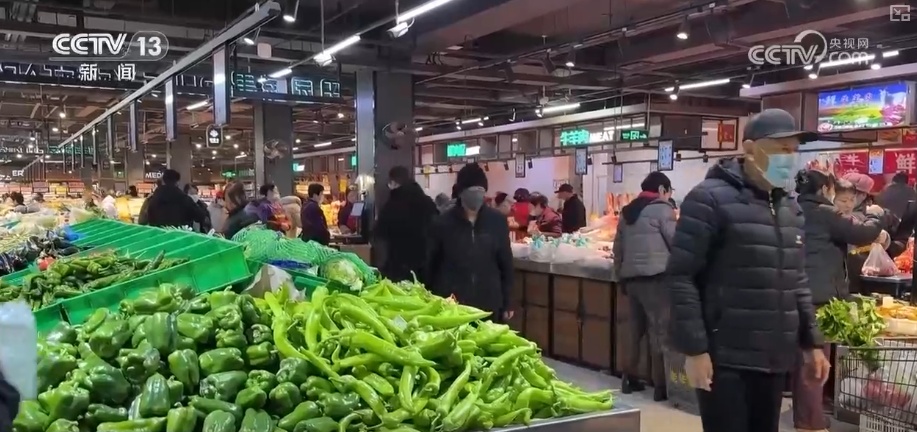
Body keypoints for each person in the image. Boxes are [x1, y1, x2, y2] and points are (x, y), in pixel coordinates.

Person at [666, 109, 829, 432]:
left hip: (774, 357)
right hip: (725, 357)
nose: (789, 157)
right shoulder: (708, 199)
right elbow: (681, 276)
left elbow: (797, 281)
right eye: (781, 148)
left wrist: (812, 344)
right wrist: (695, 349)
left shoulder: (789, 208)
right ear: (751, 149)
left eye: (794, 150)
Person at [793, 168, 885, 431]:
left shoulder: (791, 210)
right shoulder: (825, 213)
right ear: (825, 190)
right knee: (815, 360)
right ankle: (810, 422)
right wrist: (876, 215)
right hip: (818, 295)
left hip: (795, 291)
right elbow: (862, 233)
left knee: (803, 359)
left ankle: (804, 417)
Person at [612, 171, 676, 401]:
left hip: (632, 280)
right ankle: (661, 386)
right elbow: (676, 242)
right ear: (661, 190)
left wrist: (620, 277)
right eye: (668, 191)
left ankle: (628, 378)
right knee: (660, 332)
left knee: (634, 331)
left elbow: (617, 249)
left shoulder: (627, 212)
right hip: (656, 279)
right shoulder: (663, 210)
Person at [426, 163, 514, 321]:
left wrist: (507, 302)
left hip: (489, 304)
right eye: (472, 191)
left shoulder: (497, 221)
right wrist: (430, 297)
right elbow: (431, 264)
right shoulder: (442, 223)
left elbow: (506, 263)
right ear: (461, 192)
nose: (477, 196)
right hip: (452, 305)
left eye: (481, 191)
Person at [375, 166, 438, 282]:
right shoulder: (427, 202)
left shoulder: (390, 207)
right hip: (425, 268)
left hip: (397, 269)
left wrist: (382, 269)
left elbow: (381, 238)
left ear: (393, 182)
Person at [841, 173, 893, 294]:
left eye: (853, 194)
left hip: (863, 273)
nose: (848, 200)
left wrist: (885, 238)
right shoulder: (834, 213)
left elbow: (885, 240)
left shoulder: (873, 213)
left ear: (863, 195)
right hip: (842, 275)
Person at [138, 169, 208, 228]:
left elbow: (142, 221)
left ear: (163, 181)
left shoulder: (152, 199)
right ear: (177, 182)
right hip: (180, 236)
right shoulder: (185, 199)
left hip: (158, 236)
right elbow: (200, 216)